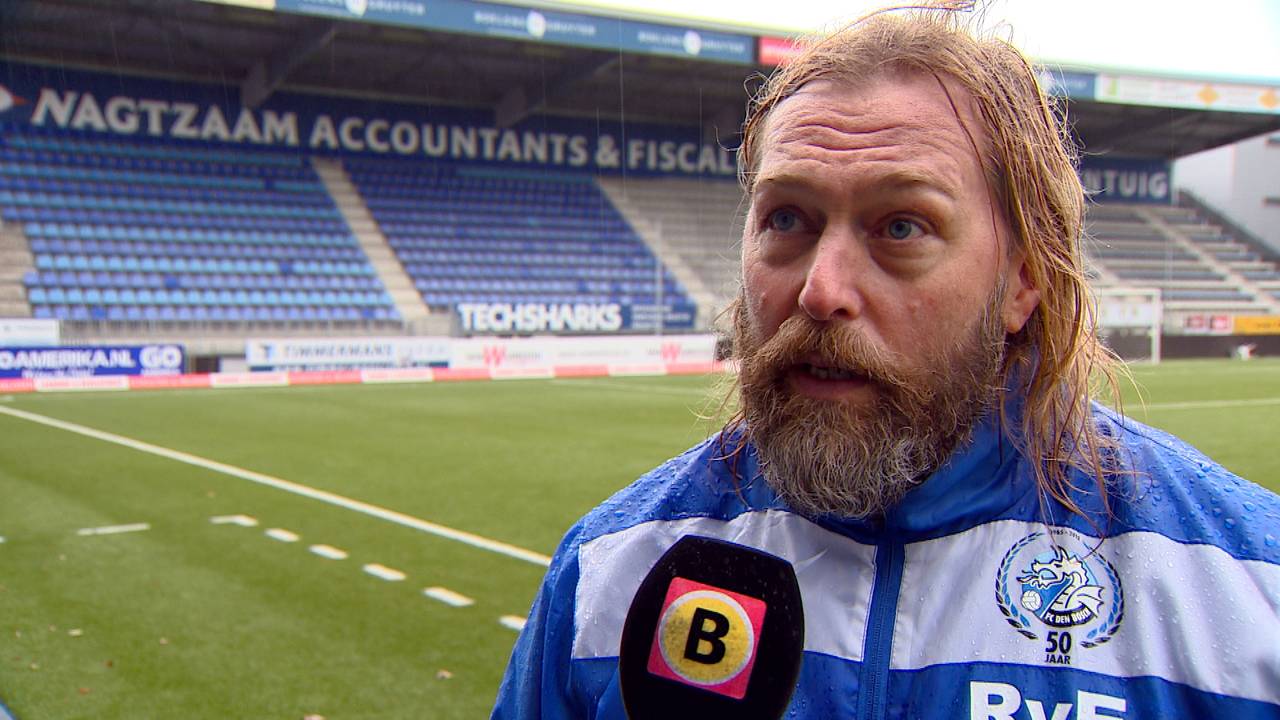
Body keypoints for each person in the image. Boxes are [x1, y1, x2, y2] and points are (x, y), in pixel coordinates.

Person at [492, 7, 1280, 719]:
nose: (820, 290)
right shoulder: (610, 570)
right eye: (787, 218)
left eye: (901, 227)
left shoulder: (1244, 591)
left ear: (1023, 280)